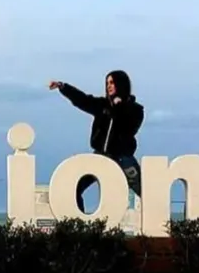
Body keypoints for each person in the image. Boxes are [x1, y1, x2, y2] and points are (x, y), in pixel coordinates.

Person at [49, 70, 146, 214]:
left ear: (121, 84)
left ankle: (165, 223)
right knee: (76, 187)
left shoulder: (136, 109)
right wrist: (63, 87)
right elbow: (82, 100)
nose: (109, 86)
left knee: (146, 192)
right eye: (107, 83)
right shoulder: (102, 105)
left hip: (123, 157)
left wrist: (119, 107)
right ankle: (80, 223)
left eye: (112, 82)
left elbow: (129, 129)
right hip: (101, 156)